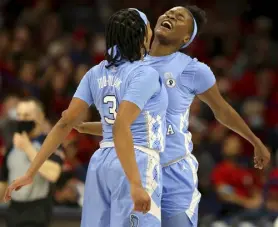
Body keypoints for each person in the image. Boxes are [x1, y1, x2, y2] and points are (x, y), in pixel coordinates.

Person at [74, 5, 270, 227]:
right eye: (169, 13)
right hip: (138, 166)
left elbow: (222, 110)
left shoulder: (193, 70)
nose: (170, 16)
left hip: (173, 170)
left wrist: (254, 141)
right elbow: (127, 124)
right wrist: (83, 126)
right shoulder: (128, 64)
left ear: (186, 37)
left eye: (179, 18)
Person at [4, 8, 168, 227]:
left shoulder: (96, 73)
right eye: (149, 28)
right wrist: (136, 183)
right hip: (136, 160)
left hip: (101, 163)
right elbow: (121, 125)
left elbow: (66, 123)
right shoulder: (145, 73)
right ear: (140, 34)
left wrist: (30, 172)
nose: (152, 33)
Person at [0, 97, 63, 227]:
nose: (22, 119)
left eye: (27, 115)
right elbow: (3, 182)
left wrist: (28, 148)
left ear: (39, 118)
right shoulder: (12, 148)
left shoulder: (50, 144)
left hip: (37, 213)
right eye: (19, 115)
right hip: (13, 213)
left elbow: (53, 174)